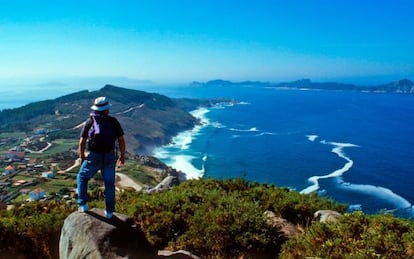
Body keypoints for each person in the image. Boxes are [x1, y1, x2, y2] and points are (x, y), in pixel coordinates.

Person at [77, 96, 126, 219]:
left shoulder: (91, 121)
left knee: (82, 177)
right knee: (109, 184)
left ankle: (83, 205)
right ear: (107, 109)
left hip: (94, 155)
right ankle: (109, 212)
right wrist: (122, 156)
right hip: (109, 156)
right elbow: (121, 140)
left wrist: (82, 156)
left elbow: (82, 141)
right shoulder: (113, 121)